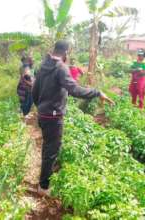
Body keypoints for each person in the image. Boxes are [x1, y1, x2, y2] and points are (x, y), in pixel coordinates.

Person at [32, 40, 114, 196]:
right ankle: (43, 187)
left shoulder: (43, 65)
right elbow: (74, 89)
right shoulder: (61, 68)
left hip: (44, 114)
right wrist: (97, 92)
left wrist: (41, 107)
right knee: (51, 150)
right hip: (53, 116)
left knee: (48, 146)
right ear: (66, 53)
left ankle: (45, 177)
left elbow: (34, 90)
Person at [17, 56, 34, 120]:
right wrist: (30, 84)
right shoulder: (25, 67)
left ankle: (25, 113)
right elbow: (24, 78)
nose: (33, 62)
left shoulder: (28, 67)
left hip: (28, 87)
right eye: (31, 60)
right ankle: (24, 114)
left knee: (29, 101)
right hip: (24, 88)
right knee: (26, 101)